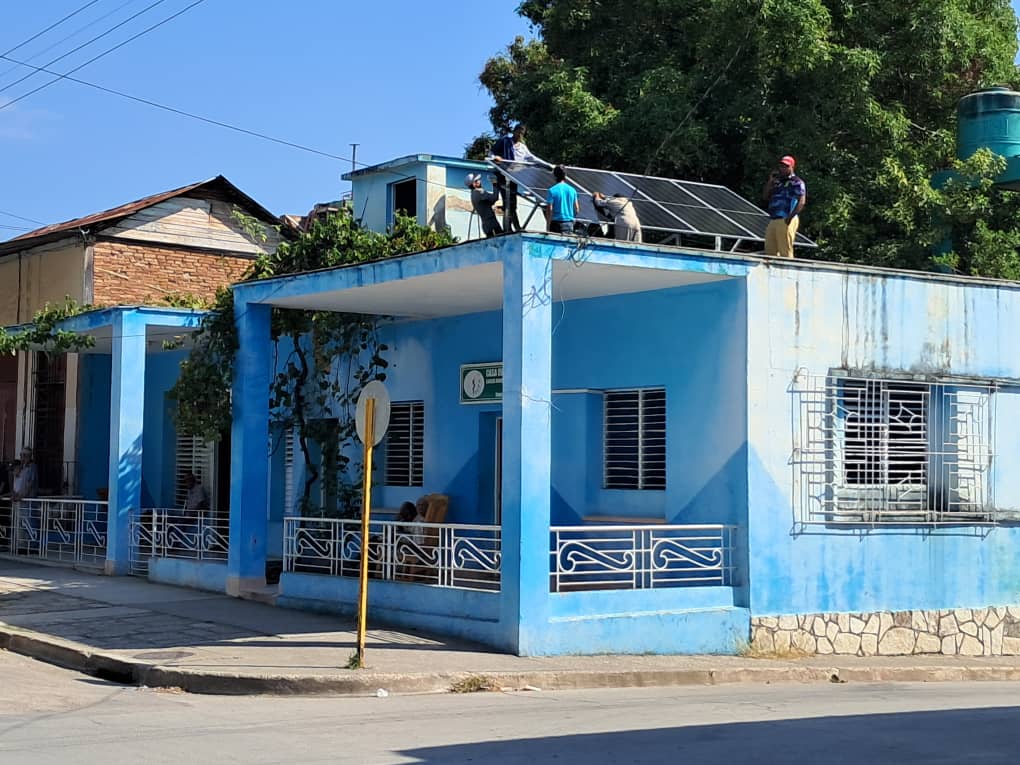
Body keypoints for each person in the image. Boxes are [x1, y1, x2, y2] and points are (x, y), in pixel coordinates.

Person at [490, 124, 551, 232]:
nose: (519, 135)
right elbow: (491, 153)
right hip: (503, 176)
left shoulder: (523, 147)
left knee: (512, 204)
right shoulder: (504, 142)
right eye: (518, 132)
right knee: (507, 203)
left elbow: (533, 158)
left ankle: (516, 227)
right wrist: (495, 158)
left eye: (521, 133)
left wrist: (548, 165)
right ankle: (508, 228)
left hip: (515, 178)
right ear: (514, 131)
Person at [762, 155, 806, 258]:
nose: (782, 168)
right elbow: (765, 196)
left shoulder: (797, 182)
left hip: (786, 217)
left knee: (785, 250)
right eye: (781, 166)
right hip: (774, 218)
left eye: (786, 166)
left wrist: (790, 217)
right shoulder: (778, 182)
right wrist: (770, 181)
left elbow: (802, 201)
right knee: (770, 250)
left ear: (792, 167)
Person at [465, 173, 503, 238]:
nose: (480, 181)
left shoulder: (475, 193)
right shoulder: (479, 193)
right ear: (474, 184)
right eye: (477, 180)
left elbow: (489, 202)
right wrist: (495, 184)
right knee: (502, 240)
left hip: (487, 224)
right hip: (491, 223)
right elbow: (494, 198)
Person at [545, 165, 580, 234]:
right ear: (565, 175)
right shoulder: (572, 190)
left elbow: (550, 210)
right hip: (569, 223)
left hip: (555, 224)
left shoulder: (552, 190)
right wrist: (571, 218)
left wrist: (548, 225)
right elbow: (577, 209)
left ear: (554, 176)